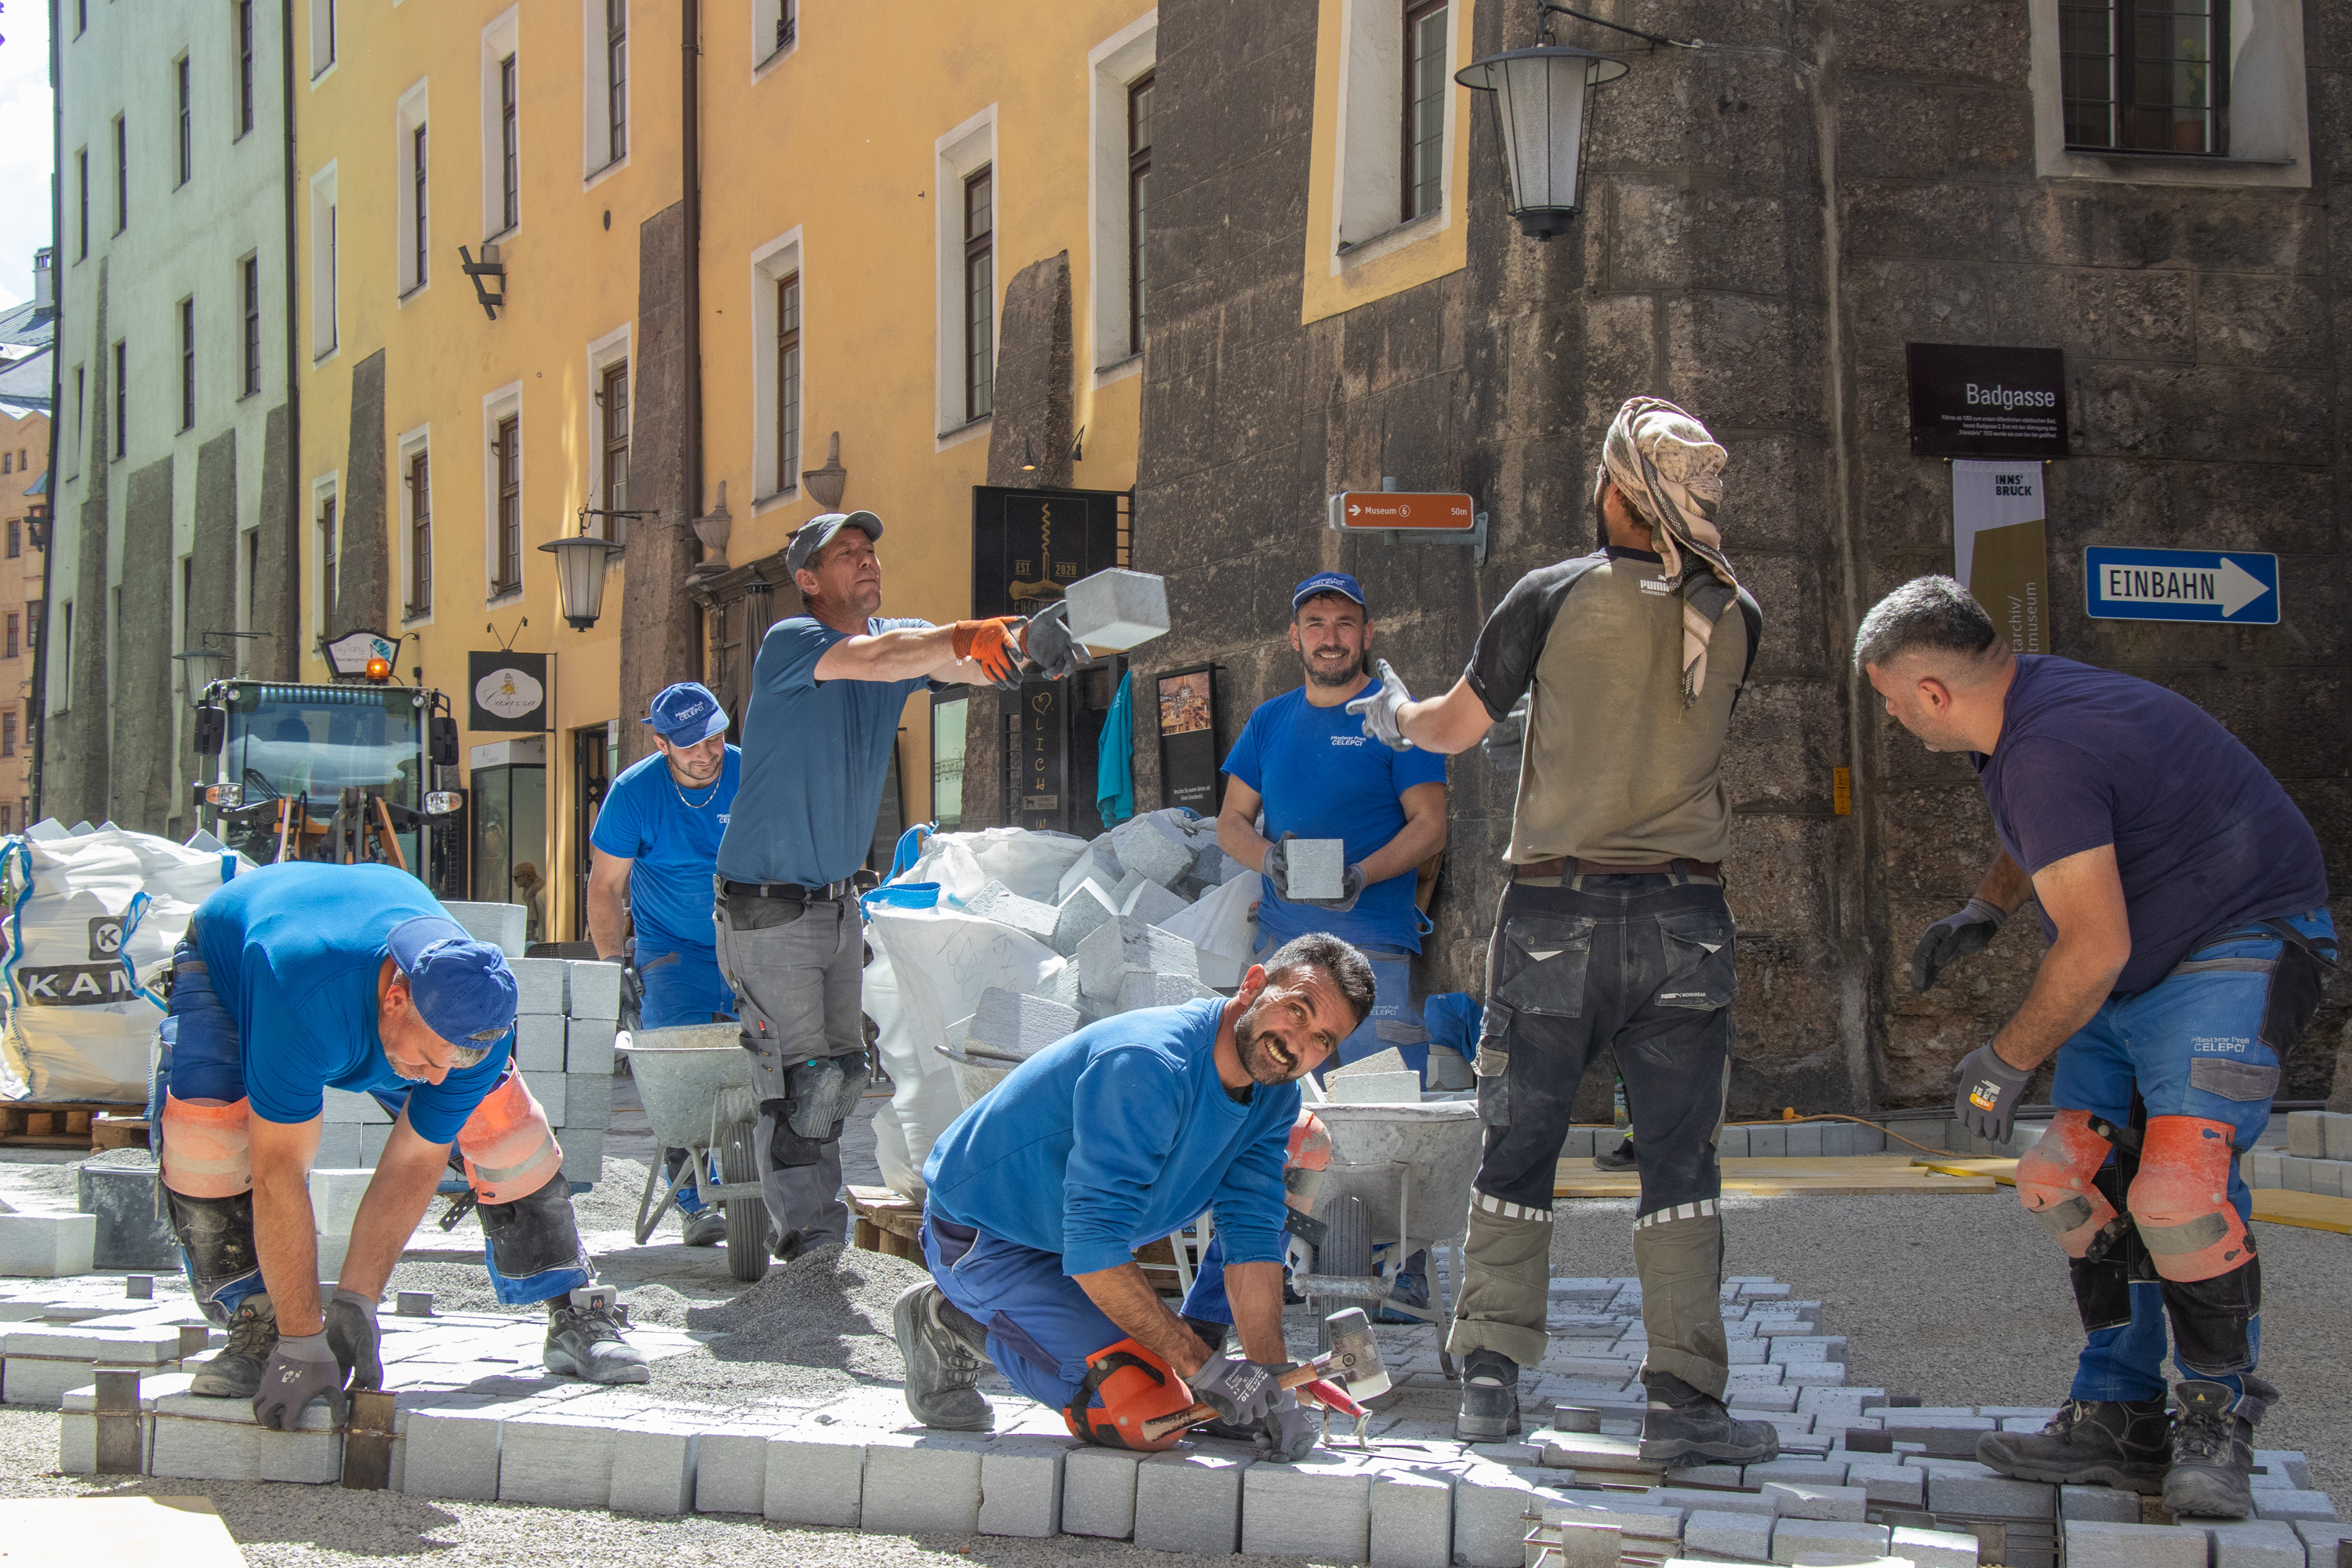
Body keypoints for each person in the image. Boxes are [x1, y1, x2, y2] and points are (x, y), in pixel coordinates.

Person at [1856, 577, 2335, 1519]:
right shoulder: (2021, 717)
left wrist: (2004, 1058)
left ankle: (2217, 1417)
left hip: (2238, 941)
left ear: (1933, 692)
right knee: (2066, 1178)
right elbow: (2051, 828)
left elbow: (2094, 944)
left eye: (1890, 699)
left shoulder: (2050, 744)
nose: (1891, 717)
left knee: (2179, 1190)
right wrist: (1988, 906)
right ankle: (2119, 1413)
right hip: (2142, 959)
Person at [1347, 397, 1768, 1461]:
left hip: (1556, 915)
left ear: (1618, 490)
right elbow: (1660, 726)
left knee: (1521, 1144)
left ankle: (1491, 1377)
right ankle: (1685, 1403)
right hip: (1685, 919)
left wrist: (1394, 714)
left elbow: (1453, 727)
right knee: (1679, 1162)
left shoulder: (1552, 593)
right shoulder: (1737, 612)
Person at [156, 862, 644, 1430]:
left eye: (450, 1064)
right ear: (395, 999)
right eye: (431, 1059)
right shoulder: (300, 998)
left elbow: (414, 1158)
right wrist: (302, 1340)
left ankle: (570, 1306)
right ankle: (261, 1321)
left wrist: (356, 1304)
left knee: (502, 1127)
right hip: (237, 959)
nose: (436, 1080)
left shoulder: (471, 1019)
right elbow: (279, 1172)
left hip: (360, 972)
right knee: (207, 1135)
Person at [714, 509, 1082, 1262]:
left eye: (870, 549)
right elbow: (887, 659)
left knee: (840, 1075)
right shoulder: (792, 642)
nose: (866, 560)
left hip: (835, 901)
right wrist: (966, 636)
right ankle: (810, 1249)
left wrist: (1020, 647)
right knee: (803, 1081)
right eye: (845, 553)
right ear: (808, 579)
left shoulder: (898, 637)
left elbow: (953, 662)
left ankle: (816, 1237)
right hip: (767, 906)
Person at [895, 934, 1375, 1458]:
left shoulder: (1274, 1096)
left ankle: (1194, 1347)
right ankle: (949, 1321)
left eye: (1322, 1039)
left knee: (1302, 1141)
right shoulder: (1149, 1064)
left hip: (1076, 1243)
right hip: (989, 1241)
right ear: (1253, 985)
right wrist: (1205, 1370)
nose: (1296, 1043)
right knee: (1146, 1416)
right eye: (1297, 1011)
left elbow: (1252, 1235)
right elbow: (1095, 1246)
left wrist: (1271, 1378)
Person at [1215, 572, 1448, 1069]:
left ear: (1367, 634)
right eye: (1315, 623)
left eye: (1345, 623)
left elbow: (1431, 825)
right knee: (1280, 1099)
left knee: (1383, 1100)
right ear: (1295, 636)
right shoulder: (1268, 720)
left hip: (1373, 950)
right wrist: (1270, 860)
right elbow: (1230, 821)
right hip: (1283, 948)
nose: (1330, 638)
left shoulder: (1398, 718)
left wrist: (1361, 875)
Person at [588, 680, 741, 1248]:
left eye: (714, 737)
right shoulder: (634, 794)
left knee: (778, 1059)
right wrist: (612, 965)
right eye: (690, 744)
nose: (707, 752)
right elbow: (605, 887)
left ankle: (776, 1190)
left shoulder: (749, 773)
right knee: (676, 1072)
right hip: (672, 952)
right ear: (661, 743)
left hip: (750, 943)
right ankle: (696, 1198)